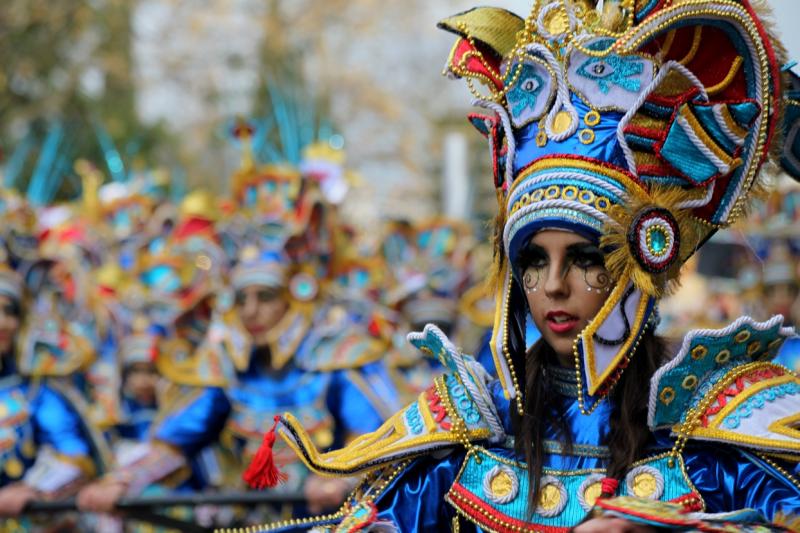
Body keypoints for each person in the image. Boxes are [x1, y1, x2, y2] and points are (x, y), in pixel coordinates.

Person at [240, 1, 800, 531]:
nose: (552, 287)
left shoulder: (715, 427)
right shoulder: (471, 430)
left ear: (642, 263)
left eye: (584, 258)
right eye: (533, 260)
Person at [0, 259, 102, 520]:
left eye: (10, 312)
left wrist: (32, 488)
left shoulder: (36, 390)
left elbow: (72, 455)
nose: (2, 322)